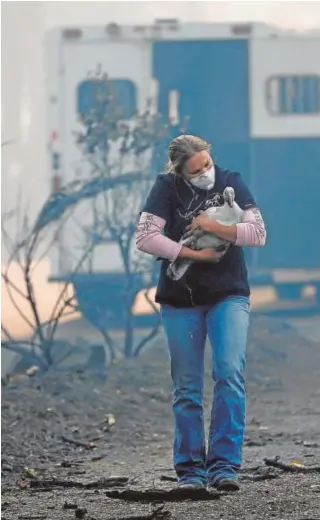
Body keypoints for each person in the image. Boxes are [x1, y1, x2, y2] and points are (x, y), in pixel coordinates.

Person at [136, 135, 266, 492]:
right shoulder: (166, 188)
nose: (206, 173)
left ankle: (224, 466)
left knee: (229, 373)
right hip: (180, 298)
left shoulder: (231, 181)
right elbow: (146, 237)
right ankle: (190, 471)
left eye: (207, 164)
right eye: (196, 171)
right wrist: (193, 255)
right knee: (187, 386)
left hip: (229, 293)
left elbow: (257, 233)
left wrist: (213, 227)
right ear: (180, 172)